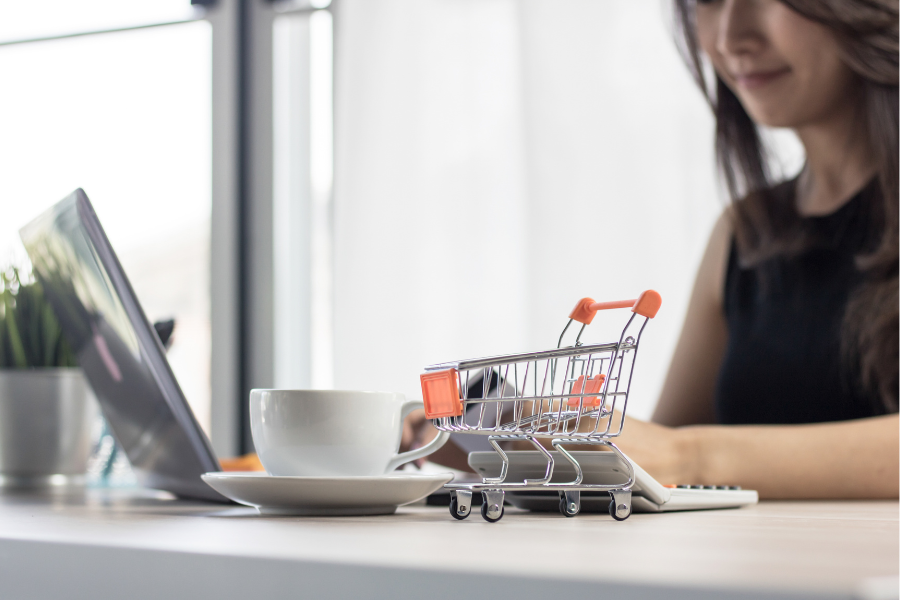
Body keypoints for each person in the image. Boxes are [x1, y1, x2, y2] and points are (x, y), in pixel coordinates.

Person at [404, 0, 899, 499]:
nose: (730, 37)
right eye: (709, 1)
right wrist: (516, 441)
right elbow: (656, 462)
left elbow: (674, 452)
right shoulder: (742, 234)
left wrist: (688, 455)